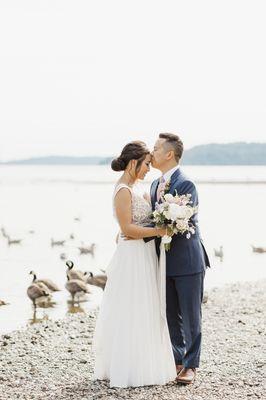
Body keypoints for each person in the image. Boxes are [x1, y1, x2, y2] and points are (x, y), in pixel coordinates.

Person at [93, 140, 176, 388]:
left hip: (144, 254)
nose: (149, 168)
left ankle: (145, 362)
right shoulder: (123, 191)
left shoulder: (136, 187)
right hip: (132, 258)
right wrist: (161, 231)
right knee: (132, 308)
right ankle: (128, 368)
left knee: (146, 307)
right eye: (146, 164)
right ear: (133, 163)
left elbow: (133, 226)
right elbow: (127, 228)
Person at [150, 133, 210, 384]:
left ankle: (191, 365)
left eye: (155, 148)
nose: (151, 153)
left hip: (187, 260)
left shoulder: (187, 184)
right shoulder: (154, 185)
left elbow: (181, 222)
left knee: (190, 314)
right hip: (164, 261)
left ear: (169, 154)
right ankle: (176, 360)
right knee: (170, 313)